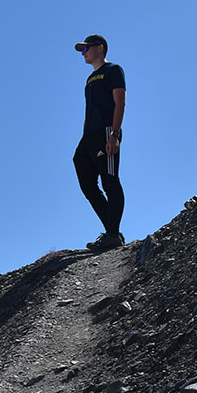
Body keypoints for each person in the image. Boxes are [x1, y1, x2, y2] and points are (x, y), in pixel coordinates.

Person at [73, 34, 126, 251]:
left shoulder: (113, 70)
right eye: (82, 50)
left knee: (109, 181)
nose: (83, 53)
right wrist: (84, 136)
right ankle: (112, 231)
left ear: (100, 48)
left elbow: (120, 103)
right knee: (86, 182)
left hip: (106, 132)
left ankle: (112, 235)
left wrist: (115, 134)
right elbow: (88, 110)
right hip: (89, 136)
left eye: (87, 49)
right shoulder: (89, 80)